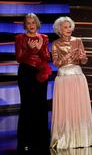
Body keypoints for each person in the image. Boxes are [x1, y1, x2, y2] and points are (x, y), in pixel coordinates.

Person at [50, 16, 92, 149]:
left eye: (70, 26)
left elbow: (84, 60)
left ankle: (81, 138)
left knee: (78, 107)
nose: (68, 29)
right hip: (63, 79)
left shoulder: (78, 41)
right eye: (65, 27)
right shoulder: (55, 44)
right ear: (59, 29)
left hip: (77, 77)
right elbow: (56, 63)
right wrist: (67, 57)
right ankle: (65, 137)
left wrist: (82, 57)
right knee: (66, 108)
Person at [15, 13, 51, 152]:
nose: (31, 25)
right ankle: (25, 138)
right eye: (28, 23)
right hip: (25, 73)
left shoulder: (44, 38)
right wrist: (30, 49)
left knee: (41, 104)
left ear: (37, 24)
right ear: (25, 25)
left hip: (40, 73)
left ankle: (41, 137)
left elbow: (47, 57)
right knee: (27, 104)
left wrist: (41, 48)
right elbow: (19, 58)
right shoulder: (19, 38)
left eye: (33, 23)